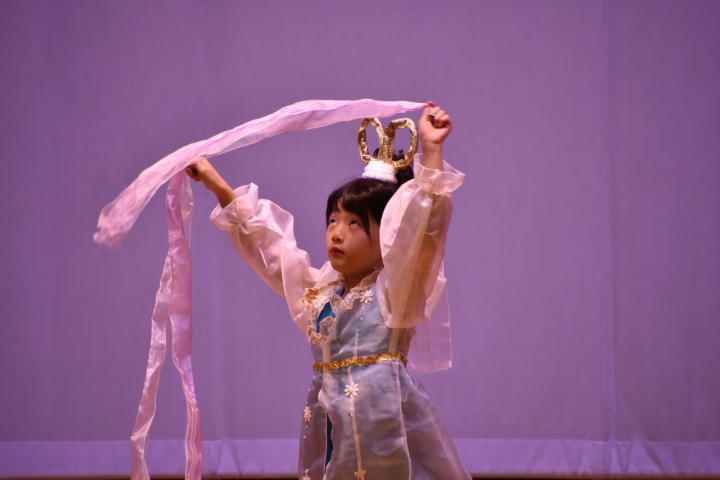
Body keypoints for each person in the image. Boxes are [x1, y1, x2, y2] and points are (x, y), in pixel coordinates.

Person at [186, 101, 470, 480]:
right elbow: (273, 253)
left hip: (387, 433)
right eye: (333, 220)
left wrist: (431, 151)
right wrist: (216, 184)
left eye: (354, 223)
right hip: (331, 428)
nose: (337, 232)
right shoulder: (320, 292)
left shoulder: (395, 292)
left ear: (388, 236)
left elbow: (424, 232)